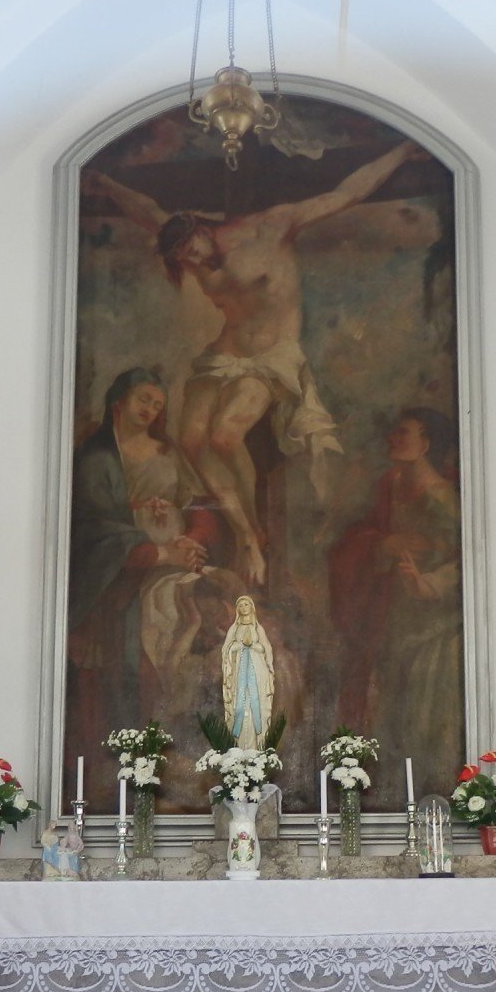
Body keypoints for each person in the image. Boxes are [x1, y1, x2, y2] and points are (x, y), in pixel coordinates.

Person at [82, 137, 422, 585]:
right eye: (183, 258)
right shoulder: (182, 243)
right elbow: (143, 208)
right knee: (189, 439)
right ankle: (247, 530)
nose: (194, 260)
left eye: (193, 249)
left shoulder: (272, 226)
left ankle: (250, 536)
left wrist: (399, 152)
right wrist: (106, 181)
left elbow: (345, 194)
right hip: (225, 352)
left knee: (224, 438)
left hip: (272, 355)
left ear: (200, 227)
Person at [65, 368, 223, 775]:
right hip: (120, 575)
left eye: (157, 404)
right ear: (118, 401)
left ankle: (188, 736)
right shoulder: (97, 458)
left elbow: (199, 506)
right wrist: (157, 553)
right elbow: (96, 528)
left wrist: (192, 541)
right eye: (143, 400)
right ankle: (139, 749)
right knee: (141, 640)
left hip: (174, 563)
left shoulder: (167, 453)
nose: (151, 410)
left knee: (211, 613)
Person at [327, 407, 463, 771]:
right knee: (387, 701)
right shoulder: (390, 485)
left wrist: (429, 584)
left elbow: (466, 560)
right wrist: (381, 545)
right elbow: (358, 538)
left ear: (426, 444)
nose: (393, 438)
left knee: (418, 706)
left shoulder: (441, 498)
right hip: (390, 616)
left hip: (430, 625)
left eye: (403, 433)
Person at [221, 595, 276, 750]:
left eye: (246, 604)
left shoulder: (258, 629)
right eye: (241, 605)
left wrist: (252, 644)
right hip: (238, 673)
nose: (244, 607)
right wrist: (238, 646)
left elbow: (267, 651)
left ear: (252, 607)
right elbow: (226, 650)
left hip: (256, 674)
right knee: (239, 708)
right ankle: (238, 749)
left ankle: (256, 748)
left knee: (254, 708)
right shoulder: (234, 629)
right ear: (237, 609)